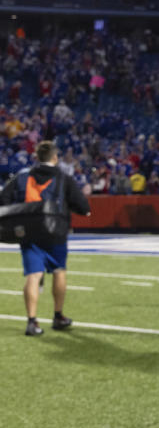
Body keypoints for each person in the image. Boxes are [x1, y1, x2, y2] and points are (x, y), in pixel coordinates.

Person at [0, 140, 91, 336]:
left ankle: (32, 322)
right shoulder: (64, 177)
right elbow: (83, 207)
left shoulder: (21, 177)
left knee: (33, 275)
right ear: (55, 158)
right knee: (59, 271)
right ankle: (58, 316)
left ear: (37, 157)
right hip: (55, 232)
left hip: (28, 232)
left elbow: (3, 201)